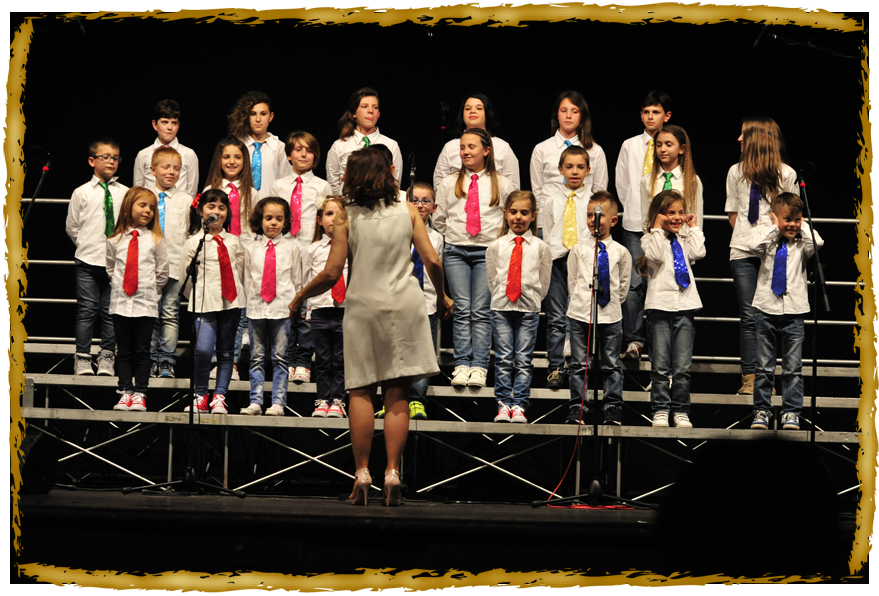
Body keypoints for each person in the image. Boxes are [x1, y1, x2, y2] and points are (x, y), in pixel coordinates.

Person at [289, 147, 452, 506]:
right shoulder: (408, 211)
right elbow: (433, 261)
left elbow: (332, 272)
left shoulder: (346, 217)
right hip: (405, 305)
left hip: (363, 306)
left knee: (360, 390)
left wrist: (300, 295)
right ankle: (392, 472)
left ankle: (362, 472)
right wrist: (441, 295)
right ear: (387, 174)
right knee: (397, 392)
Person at [434, 128, 514, 388]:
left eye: (471, 147)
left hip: (486, 252)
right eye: (462, 147)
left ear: (486, 150)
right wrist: (457, 237)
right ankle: (461, 364)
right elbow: (440, 219)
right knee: (461, 310)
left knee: (480, 310)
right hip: (456, 251)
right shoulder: (449, 182)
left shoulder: (501, 183)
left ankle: (479, 365)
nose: (465, 152)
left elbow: (509, 217)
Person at [725, 116, 799, 395]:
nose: (739, 139)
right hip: (743, 251)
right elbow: (733, 213)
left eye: (744, 135)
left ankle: (770, 378)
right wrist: (750, 238)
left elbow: (792, 215)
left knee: (771, 316)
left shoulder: (787, 174)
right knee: (749, 315)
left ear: (758, 138)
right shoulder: (736, 172)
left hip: (775, 253)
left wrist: (770, 242)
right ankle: (751, 378)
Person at [748, 193, 823, 431]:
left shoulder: (803, 243)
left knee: (793, 368)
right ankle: (762, 410)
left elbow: (818, 242)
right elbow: (752, 246)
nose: (792, 224)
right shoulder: (768, 239)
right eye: (787, 219)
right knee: (763, 367)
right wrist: (774, 227)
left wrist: (804, 223)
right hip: (766, 309)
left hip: (794, 311)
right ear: (775, 217)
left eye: (797, 219)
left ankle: (791, 412)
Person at [269, 131, 332, 384]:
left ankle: (303, 359)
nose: (303, 154)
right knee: (286, 304)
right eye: (298, 149)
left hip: (310, 249)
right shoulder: (279, 185)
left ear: (315, 155)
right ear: (289, 155)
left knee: (307, 307)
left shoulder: (321, 186)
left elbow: (325, 217)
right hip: (285, 249)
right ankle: (285, 358)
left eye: (309, 150)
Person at [376, 182, 443, 421]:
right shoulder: (395, 232)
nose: (420, 205)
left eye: (425, 201)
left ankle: (417, 400)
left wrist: (442, 295)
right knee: (393, 351)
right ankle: (391, 401)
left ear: (434, 207)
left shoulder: (438, 238)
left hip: (426, 302)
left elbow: (437, 267)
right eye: (414, 200)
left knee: (421, 353)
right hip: (397, 301)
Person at [614, 91, 672, 361]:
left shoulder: (671, 144)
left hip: (665, 227)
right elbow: (622, 184)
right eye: (646, 112)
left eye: (656, 112)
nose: (650, 117)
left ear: (666, 116)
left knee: (660, 283)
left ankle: (661, 343)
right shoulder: (630, 145)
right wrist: (634, 210)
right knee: (634, 284)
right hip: (635, 224)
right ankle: (634, 341)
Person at [640, 190, 705, 428]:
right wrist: (657, 228)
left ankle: (681, 410)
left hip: (685, 306)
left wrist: (694, 227)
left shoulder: (685, 238)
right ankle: (660, 409)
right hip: (660, 307)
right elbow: (655, 256)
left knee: (682, 367)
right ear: (659, 214)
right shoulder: (649, 239)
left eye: (681, 212)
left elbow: (699, 252)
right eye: (670, 213)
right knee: (660, 366)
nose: (677, 217)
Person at [566, 191, 631, 425]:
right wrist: (582, 301)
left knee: (611, 363)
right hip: (580, 313)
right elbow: (572, 282)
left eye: (599, 215)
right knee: (579, 364)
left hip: (610, 315)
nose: (593, 219)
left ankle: (612, 406)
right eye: (589, 215)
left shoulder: (621, 252)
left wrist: (609, 303)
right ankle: (578, 405)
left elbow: (623, 287)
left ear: (613, 220)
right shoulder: (579, 249)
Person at [486, 191, 551, 423]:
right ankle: (503, 403)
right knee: (504, 358)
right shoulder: (496, 246)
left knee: (523, 359)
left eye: (524, 213)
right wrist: (502, 296)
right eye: (513, 212)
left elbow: (544, 281)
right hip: (501, 307)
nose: (518, 217)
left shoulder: (541, 247)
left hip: (529, 308)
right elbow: (492, 279)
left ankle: (519, 404)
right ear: (505, 214)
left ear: (533, 216)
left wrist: (532, 299)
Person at [180, 189, 245, 415]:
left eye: (221, 207)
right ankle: (200, 395)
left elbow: (240, 272)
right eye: (211, 206)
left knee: (226, 351)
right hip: (203, 301)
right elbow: (185, 276)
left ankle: (220, 396)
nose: (216, 211)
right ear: (201, 211)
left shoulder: (234, 241)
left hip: (230, 302)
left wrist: (234, 293)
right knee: (203, 349)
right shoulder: (193, 242)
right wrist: (198, 294)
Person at [66, 137, 127, 376]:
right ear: (92, 161)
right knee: (87, 310)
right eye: (106, 157)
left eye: (115, 158)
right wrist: (86, 246)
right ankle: (82, 357)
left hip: (116, 262)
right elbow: (72, 227)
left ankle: (107, 357)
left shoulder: (125, 192)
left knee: (111, 312)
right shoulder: (81, 192)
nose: (111, 162)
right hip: (88, 260)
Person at [107, 187, 169, 412]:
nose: (148, 211)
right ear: (128, 207)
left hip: (145, 303)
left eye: (151, 207)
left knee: (143, 350)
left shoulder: (155, 239)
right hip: (121, 302)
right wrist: (121, 287)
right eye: (142, 205)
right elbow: (110, 267)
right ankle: (125, 391)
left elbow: (162, 272)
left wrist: (151, 293)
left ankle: (140, 393)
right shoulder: (115, 239)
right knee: (123, 350)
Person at [203, 136, 260, 381]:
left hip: (243, 254)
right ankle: (215, 361)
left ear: (245, 161)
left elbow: (255, 228)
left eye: (237, 157)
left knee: (237, 310)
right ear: (219, 160)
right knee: (217, 309)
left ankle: (232, 363)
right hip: (216, 253)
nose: (232, 161)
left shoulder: (252, 193)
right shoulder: (210, 190)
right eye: (226, 156)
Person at [241, 197, 302, 417]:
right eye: (268, 218)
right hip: (256, 308)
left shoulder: (292, 248)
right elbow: (248, 279)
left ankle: (278, 402)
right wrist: (250, 304)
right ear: (261, 220)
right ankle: (255, 401)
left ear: (286, 222)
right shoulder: (251, 249)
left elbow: (297, 280)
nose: (273, 223)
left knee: (280, 357)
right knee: (256, 357)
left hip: (281, 309)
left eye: (279, 219)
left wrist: (295, 307)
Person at [543, 145, 593, 390]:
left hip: (583, 262)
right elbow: (548, 232)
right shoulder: (551, 200)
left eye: (580, 167)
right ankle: (555, 366)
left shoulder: (594, 200)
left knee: (580, 316)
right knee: (555, 318)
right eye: (569, 167)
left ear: (588, 170)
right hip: (556, 261)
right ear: (560, 169)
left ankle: (580, 368)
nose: (575, 172)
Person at [529, 90, 608, 238]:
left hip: (583, 224)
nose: (568, 116)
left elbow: (599, 191)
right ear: (557, 114)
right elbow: (537, 190)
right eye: (563, 111)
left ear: (582, 115)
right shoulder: (541, 149)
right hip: (549, 222)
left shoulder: (595, 151)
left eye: (574, 111)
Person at [147, 147, 193, 378]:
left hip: (174, 265)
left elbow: (190, 233)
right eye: (165, 167)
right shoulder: (144, 197)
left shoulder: (186, 200)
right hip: (147, 266)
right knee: (148, 314)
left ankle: (166, 361)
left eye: (176, 168)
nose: (171, 172)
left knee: (170, 314)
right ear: (153, 170)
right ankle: (148, 359)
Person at [304, 196, 349, 419]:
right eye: (329, 214)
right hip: (320, 310)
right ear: (319, 220)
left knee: (341, 359)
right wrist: (307, 308)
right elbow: (305, 280)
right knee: (322, 359)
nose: (334, 219)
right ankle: (322, 400)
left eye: (340, 214)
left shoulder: (353, 248)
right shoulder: (313, 249)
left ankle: (338, 400)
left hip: (346, 311)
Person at [432, 93, 520, 190]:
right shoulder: (450, 147)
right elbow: (439, 187)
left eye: (479, 108)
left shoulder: (502, 147)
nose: (472, 111)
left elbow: (513, 189)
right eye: (467, 108)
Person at [325, 87, 403, 194]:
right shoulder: (339, 146)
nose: (370, 111)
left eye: (375, 107)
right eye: (364, 106)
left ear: (378, 114)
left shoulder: (391, 145)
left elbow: (395, 184)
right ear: (354, 113)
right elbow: (333, 186)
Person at [228, 91, 292, 200]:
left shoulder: (280, 148)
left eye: (263, 114)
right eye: (253, 114)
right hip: (242, 204)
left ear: (271, 116)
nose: (258, 119)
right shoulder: (238, 146)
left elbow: (286, 182)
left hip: (271, 205)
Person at [639, 124, 703, 234]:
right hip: (657, 239)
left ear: (681, 149)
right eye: (659, 145)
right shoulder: (647, 180)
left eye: (668, 145)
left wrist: (694, 239)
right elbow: (646, 219)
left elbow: (697, 219)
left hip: (683, 240)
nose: (662, 149)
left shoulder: (692, 180)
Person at [133, 99, 199, 196]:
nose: (170, 127)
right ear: (155, 124)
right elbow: (137, 191)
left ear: (178, 125)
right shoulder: (143, 154)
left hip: (179, 204)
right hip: (151, 204)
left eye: (174, 123)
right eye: (165, 122)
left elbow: (191, 191)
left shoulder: (189, 154)